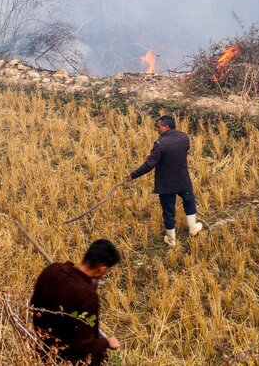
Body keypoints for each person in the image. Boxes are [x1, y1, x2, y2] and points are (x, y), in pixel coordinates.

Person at [30, 239, 122, 365]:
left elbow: (33, 307)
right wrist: (107, 342)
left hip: (42, 346)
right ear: (102, 269)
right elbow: (82, 346)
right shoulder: (88, 297)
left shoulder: (52, 270)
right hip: (64, 359)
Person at [125, 115, 203, 246]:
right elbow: (179, 152)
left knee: (168, 210)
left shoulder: (160, 144)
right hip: (183, 180)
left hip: (167, 184)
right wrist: (156, 155)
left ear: (166, 127)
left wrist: (133, 175)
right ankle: (193, 227)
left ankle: (171, 239)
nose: (157, 129)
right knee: (189, 202)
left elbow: (149, 164)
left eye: (158, 127)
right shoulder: (184, 138)